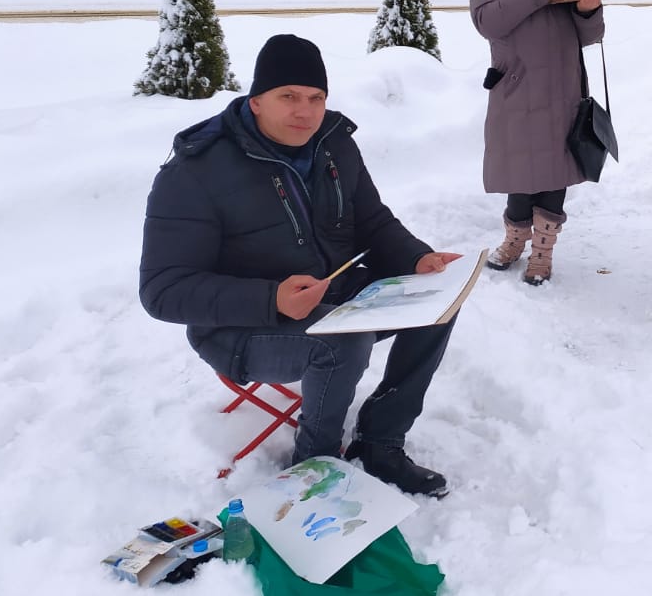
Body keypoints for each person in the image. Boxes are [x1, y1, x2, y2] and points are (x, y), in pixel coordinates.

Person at [139, 34, 460, 497]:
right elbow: (162, 291)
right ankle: (317, 468)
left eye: (315, 98)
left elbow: (371, 220)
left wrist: (416, 257)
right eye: (287, 96)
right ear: (256, 102)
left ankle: (381, 441)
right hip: (240, 328)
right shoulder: (196, 170)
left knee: (435, 304)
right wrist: (271, 299)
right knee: (341, 343)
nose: (304, 112)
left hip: (332, 299)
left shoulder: (333, 143)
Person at [470, 0, 605, 285]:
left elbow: (592, 36)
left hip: (562, 88)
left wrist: (587, 11)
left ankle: (542, 254)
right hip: (516, 87)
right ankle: (514, 242)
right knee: (520, 171)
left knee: (553, 172)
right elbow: (489, 22)